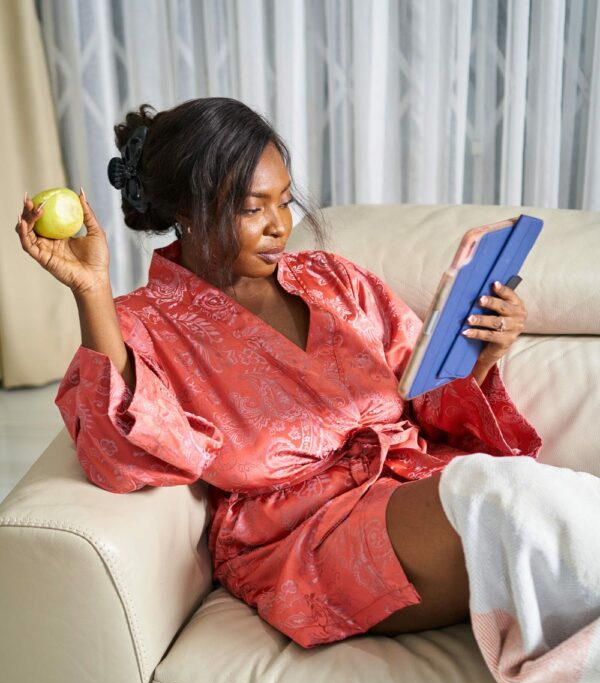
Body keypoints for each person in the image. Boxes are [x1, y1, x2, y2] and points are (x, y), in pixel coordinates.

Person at [15, 97, 540, 649]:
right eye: (252, 209)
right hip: (307, 538)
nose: (280, 226)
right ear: (188, 211)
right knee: (499, 506)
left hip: (419, 487)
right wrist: (92, 290)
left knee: (528, 510)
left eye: (285, 202)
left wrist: (482, 352)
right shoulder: (144, 325)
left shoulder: (335, 280)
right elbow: (118, 456)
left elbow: (424, 395)